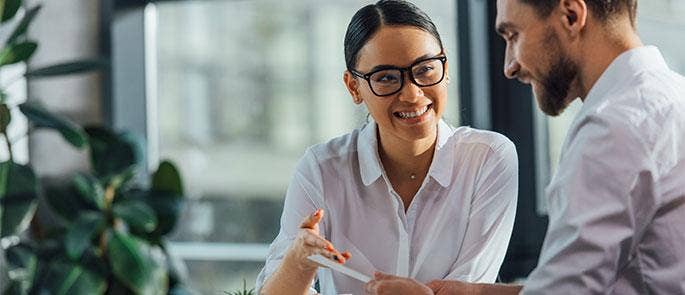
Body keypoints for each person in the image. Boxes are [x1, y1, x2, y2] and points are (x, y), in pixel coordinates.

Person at [365, 0, 685, 294]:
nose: (509, 66)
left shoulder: (611, 130)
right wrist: (476, 293)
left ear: (571, 16)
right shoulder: (669, 96)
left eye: (513, 35)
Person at [255, 1, 519, 294]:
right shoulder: (322, 168)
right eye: (386, 78)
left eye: (426, 69)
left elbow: (466, 289)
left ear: (445, 68)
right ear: (354, 87)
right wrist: (299, 262)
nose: (412, 93)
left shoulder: (489, 159)